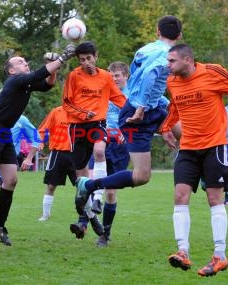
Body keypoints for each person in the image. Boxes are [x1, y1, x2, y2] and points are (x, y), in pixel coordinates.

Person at [0, 45, 75, 246]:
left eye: (25, 61)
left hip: (3, 133)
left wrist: (54, 68)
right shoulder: (15, 81)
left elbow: (47, 84)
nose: (25, 63)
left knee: (11, 180)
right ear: (11, 70)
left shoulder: (25, 84)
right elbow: (40, 73)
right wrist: (62, 58)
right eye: (20, 62)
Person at [160, 44, 228, 277]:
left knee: (214, 198)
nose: (168, 65)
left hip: (214, 146)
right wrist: (166, 127)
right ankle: (182, 251)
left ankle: (220, 255)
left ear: (187, 60)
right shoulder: (173, 82)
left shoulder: (212, 72)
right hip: (187, 148)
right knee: (179, 195)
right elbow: (175, 107)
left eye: (172, 61)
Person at [75, 15, 182, 209]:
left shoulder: (144, 50)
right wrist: (141, 108)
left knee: (190, 134)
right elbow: (150, 75)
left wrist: (164, 120)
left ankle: (203, 174)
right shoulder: (168, 54)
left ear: (157, 31)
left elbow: (138, 82)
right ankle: (89, 185)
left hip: (150, 106)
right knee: (141, 176)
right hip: (138, 112)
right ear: (180, 35)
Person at [61, 41, 126, 239]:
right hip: (77, 127)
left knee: (99, 151)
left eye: (89, 58)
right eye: (82, 60)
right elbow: (66, 103)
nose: (86, 62)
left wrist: (134, 113)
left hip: (98, 123)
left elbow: (119, 99)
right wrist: (82, 113)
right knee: (81, 180)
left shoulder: (106, 77)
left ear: (96, 57)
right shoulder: (74, 76)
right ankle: (91, 217)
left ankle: (97, 198)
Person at [95, 61, 132, 247]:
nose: (114, 79)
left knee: (111, 192)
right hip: (102, 139)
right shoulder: (104, 92)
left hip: (120, 145)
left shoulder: (133, 94)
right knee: (88, 179)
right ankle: (87, 218)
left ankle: (105, 234)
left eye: (117, 75)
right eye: (111, 75)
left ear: (126, 76)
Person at [36, 106, 77, 222]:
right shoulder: (56, 112)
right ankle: (45, 214)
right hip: (57, 153)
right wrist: (40, 143)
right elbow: (42, 130)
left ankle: (88, 215)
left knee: (82, 186)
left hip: (76, 154)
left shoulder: (81, 112)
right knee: (51, 185)